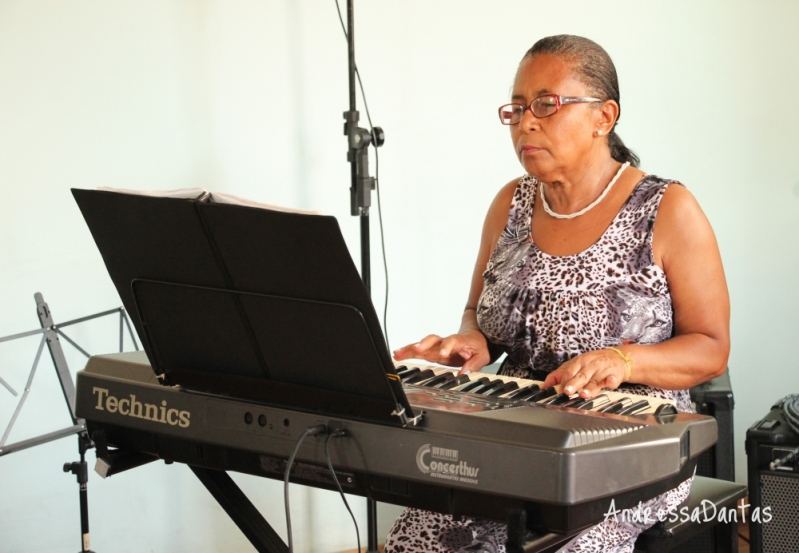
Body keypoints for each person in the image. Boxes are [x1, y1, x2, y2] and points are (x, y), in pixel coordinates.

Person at [385, 35, 730, 553]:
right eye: (518, 108)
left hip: (632, 445)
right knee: (421, 538)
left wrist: (622, 360)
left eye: (547, 104)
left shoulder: (667, 209)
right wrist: (471, 340)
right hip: (521, 438)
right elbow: (476, 311)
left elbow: (710, 346)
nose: (526, 122)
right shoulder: (512, 204)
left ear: (603, 116)